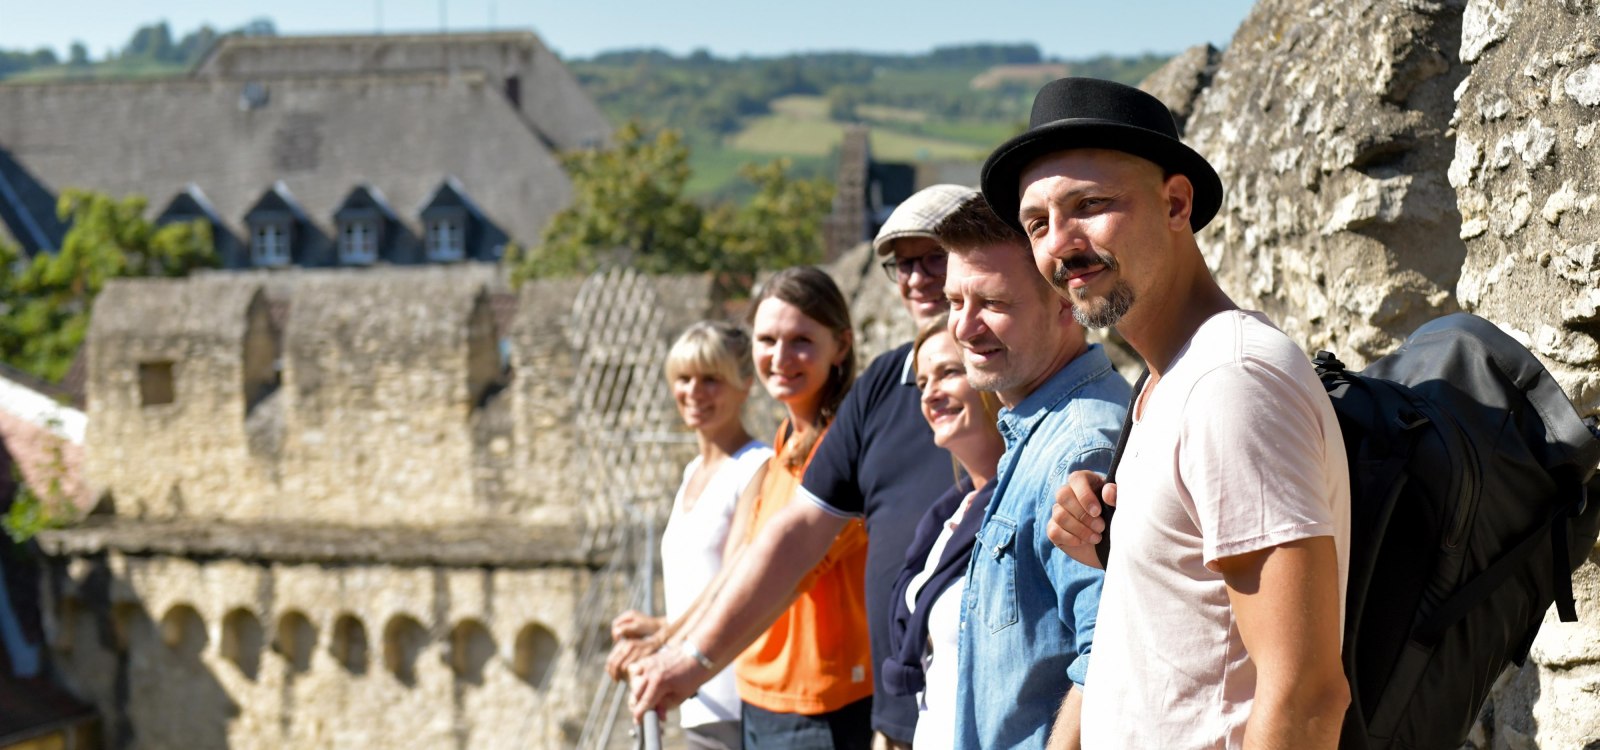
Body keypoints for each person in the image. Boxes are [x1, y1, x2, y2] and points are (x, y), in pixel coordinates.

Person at [983, 77, 1352, 748]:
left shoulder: (1231, 382)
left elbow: (1305, 696)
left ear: (1176, 203)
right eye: (1038, 223)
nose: (1060, 244)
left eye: (1089, 206)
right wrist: (1119, 543)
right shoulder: (1167, 384)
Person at [627, 186, 973, 750]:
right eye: (903, 264)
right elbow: (756, 559)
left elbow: (795, 567)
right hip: (829, 703)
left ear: (840, 346)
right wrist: (673, 643)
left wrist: (684, 654)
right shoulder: (840, 414)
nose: (917, 278)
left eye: (935, 257)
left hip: (836, 701)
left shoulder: (996, 392)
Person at [935, 193, 1127, 750]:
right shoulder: (1035, 428)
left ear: (1067, 300)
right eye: (953, 302)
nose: (965, 328)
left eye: (992, 303)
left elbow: (1111, 654)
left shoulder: (1079, 446)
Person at [606, 321, 773, 750]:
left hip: (737, 699)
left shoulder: (757, 467)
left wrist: (663, 642)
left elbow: (737, 582)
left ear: (745, 385)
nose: (694, 393)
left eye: (711, 380)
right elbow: (704, 584)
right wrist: (662, 626)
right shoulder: (690, 474)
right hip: (697, 698)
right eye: (684, 379)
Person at [879, 313, 1004, 750]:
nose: (930, 393)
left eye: (949, 372)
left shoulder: (1023, 502)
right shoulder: (947, 515)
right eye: (921, 381)